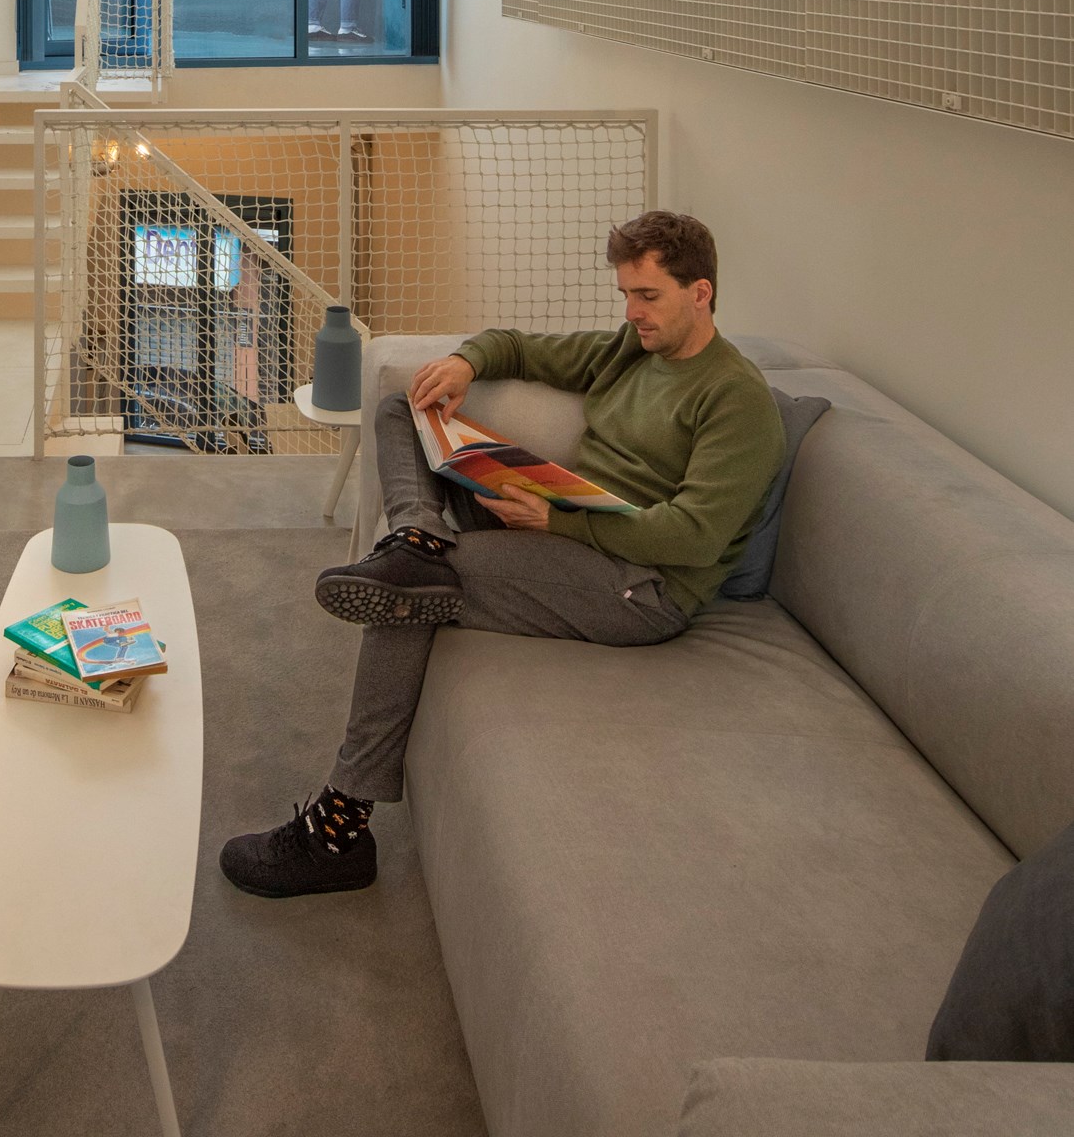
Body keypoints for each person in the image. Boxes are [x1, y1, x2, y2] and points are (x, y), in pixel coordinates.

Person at [220, 209, 785, 897]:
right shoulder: (634, 350)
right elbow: (518, 347)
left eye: (647, 296)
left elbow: (692, 536)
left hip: (639, 585)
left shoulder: (736, 399)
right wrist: (466, 362)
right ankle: (417, 533)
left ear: (700, 293)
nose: (631, 312)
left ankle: (339, 828)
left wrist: (557, 522)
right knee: (403, 409)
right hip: (563, 518)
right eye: (625, 294)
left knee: (409, 591)